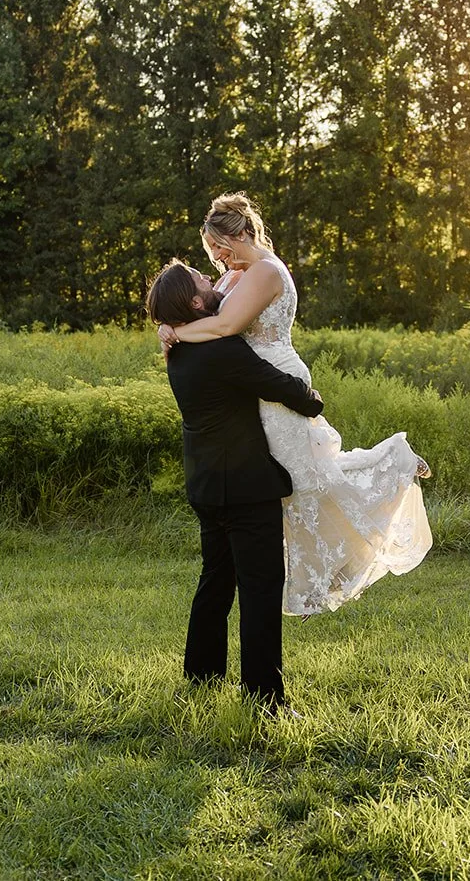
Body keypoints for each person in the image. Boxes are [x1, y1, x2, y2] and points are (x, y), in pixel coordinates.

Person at [158, 193, 432, 616]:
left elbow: (227, 325)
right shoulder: (236, 274)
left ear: (242, 233)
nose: (215, 257)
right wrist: (169, 324)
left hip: (277, 383)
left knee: (305, 481)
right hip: (252, 383)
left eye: (219, 246)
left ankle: (394, 462)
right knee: (287, 486)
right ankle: (307, 578)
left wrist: (176, 332)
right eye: (210, 250)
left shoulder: (267, 271)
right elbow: (204, 315)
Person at [147, 258, 325, 712]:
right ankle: (266, 698)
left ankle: (202, 677)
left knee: (216, 580)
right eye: (203, 280)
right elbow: (272, 383)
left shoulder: (181, 351)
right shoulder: (221, 349)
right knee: (261, 587)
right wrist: (312, 402)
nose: (212, 279)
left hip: (206, 483)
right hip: (247, 486)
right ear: (194, 300)